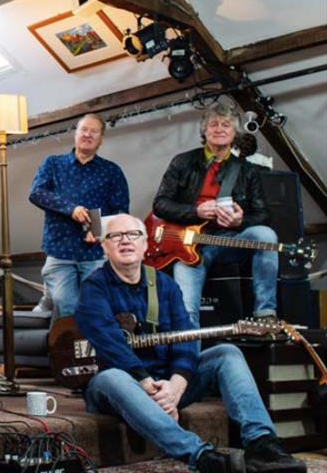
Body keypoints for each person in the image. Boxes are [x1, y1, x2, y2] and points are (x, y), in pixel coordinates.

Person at [75, 214, 305, 473]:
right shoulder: (93, 288)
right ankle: (202, 457)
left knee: (226, 353)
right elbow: (110, 345)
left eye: (133, 235)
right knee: (112, 377)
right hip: (124, 387)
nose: (125, 241)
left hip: (168, 385)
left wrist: (175, 386)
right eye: (115, 236)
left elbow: (186, 336)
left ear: (145, 245)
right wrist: (149, 387)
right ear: (104, 246)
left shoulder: (165, 285)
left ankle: (263, 444)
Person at [153, 104, 277, 328]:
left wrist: (241, 221)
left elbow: (263, 214)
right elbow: (160, 205)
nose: (219, 128)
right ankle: (188, 362)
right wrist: (195, 211)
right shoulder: (182, 162)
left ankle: (265, 312)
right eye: (213, 124)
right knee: (187, 314)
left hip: (228, 241)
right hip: (191, 247)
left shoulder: (247, 170)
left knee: (265, 235)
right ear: (204, 131)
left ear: (234, 132)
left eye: (226, 124)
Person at [29, 113, 129, 318]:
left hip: (95, 254)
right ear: (75, 134)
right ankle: (65, 345)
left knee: (94, 308)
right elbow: (36, 193)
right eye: (84, 129)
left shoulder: (112, 171)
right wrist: (70, 209)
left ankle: (84, 348)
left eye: (94, 131)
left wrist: (101, 232)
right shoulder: (53, 164)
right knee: (67, 305)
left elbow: (121, 212)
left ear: (101, 139)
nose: (88, 135)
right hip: (59, 251)